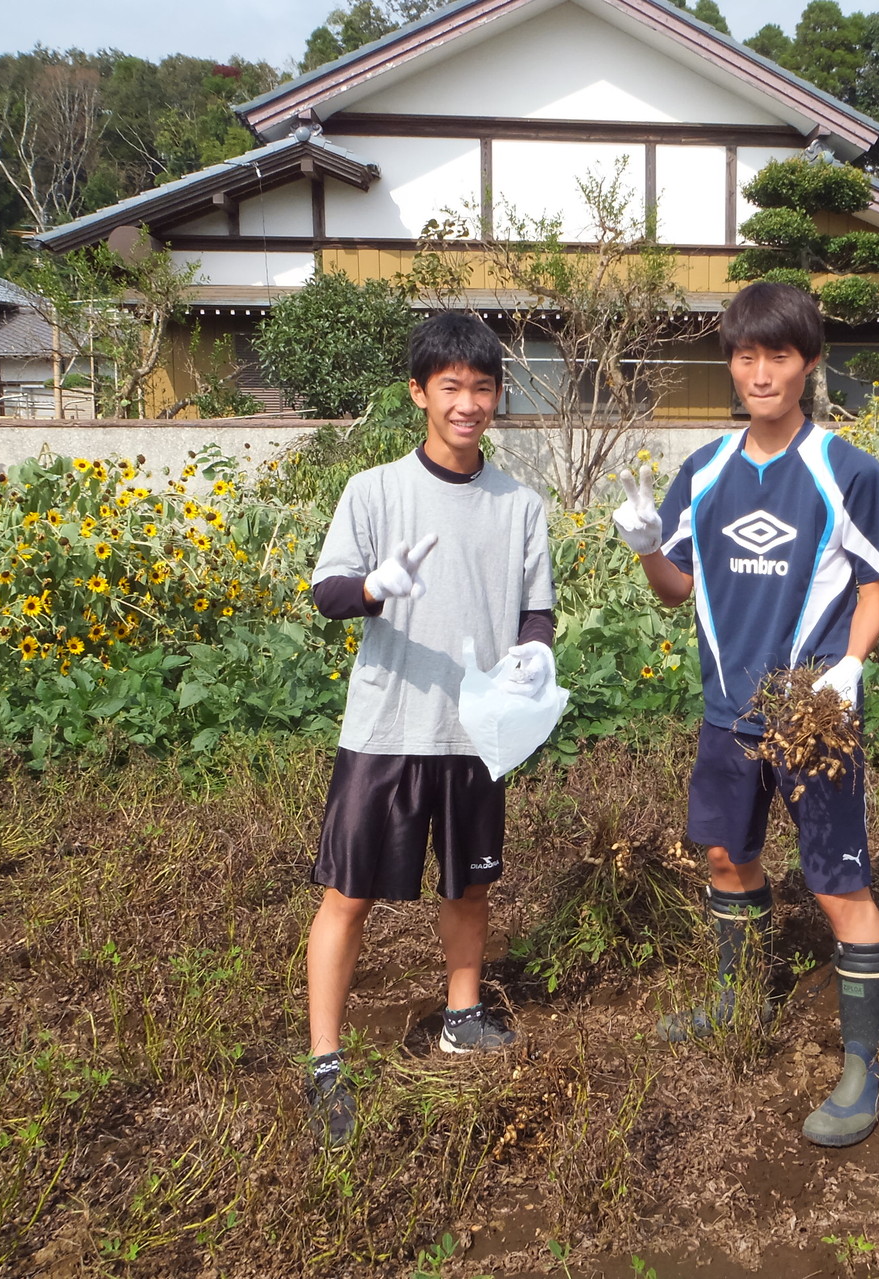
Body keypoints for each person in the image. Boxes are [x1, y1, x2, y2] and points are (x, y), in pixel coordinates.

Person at [611, 281, 879, 1147]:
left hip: (811, 712)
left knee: (837, 881)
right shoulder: (703, 472)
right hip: (726, 708)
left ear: (808, 363)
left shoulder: (843, 467)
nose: (759, 370)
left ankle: (871, 1062)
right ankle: (741, 992)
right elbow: (676, 591)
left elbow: (874, 585)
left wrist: (849, 668)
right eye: (745, 355)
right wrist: (642, 549)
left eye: (777, 354)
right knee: (723, 851)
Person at [302, 311, 556, 1147]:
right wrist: (373, 587)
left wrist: (533, 657)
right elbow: (328, 592)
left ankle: (462, 1013)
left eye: (482, 386)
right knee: (352, 891)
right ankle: (327, 1061)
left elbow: (537, 610)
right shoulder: (375, 491)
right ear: (419, 392)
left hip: (476, 730)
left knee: (470, 885)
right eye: (450, 385)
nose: (468, 402)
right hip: (387, 727)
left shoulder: (519, 504)